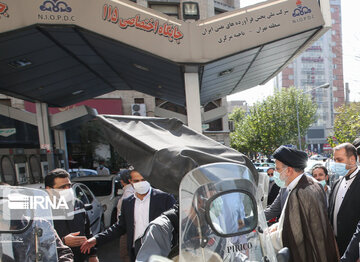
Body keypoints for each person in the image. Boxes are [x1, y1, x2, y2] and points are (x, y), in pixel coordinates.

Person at [80, 170, 176, 262]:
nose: (141, 183)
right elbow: (120, 227)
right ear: (130, 182)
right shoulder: (127, 202)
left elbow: (176, 224)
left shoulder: (165, 198)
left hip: (160, 252)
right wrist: (96, 239)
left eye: (143, 180)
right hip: (136, 252)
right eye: (136, 181)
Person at [268, 145, 339, 262]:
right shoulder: (311, 184)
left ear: (289, 170)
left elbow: (294, 235)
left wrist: (266, 238)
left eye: (278, 169)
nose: (276, 173)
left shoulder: (300, 192)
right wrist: (278, 226)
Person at [45, 168, 98, 262]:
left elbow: (87, 231)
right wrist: (63, 241)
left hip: (80, 258)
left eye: (69, 186)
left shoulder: (78, 204)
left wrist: (92, 254)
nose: (67, 189)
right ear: (49, 189)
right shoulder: (42, 211)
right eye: (62, 187)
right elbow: (37, 241)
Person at [328, 143, 360, 256]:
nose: (336, 163)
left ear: (352, 160)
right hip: (336, 247)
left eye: (339, 160)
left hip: (355, 251)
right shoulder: (336, 183)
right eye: (334, 159)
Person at [117, 169, 135, 262]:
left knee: (126, 256)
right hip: (127, 230)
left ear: (122, 181)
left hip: (127, 232)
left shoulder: (127, 195)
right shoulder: (130, 192)